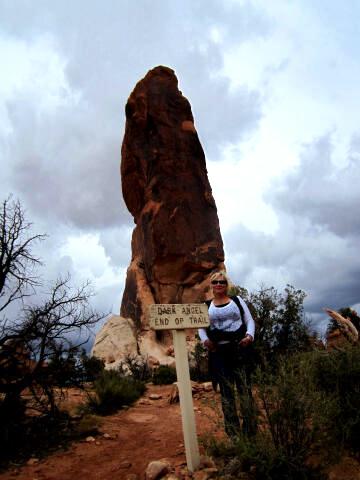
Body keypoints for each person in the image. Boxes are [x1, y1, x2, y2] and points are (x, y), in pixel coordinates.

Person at [199, 270, 256, 437]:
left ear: (227, 285)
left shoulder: (237, 301)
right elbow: (201, 327)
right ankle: (234, 434)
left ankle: (250, 432)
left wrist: (249, 336)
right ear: (211, 285)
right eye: (215, 282)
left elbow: (249, 320)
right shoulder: (206, 306)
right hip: (219, 353)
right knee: (226, 392)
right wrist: (205, 341)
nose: (218, 285)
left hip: (239, 349)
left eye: (222, 282)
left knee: (245, 389)